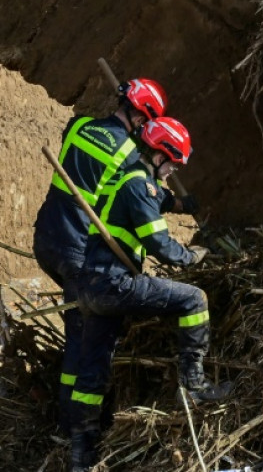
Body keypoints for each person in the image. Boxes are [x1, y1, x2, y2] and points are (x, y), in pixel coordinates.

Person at [31, 78, 198, 436]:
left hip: (46, 237)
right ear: (141, 119)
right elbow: (139, 193)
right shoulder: (127, 153)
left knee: (79, 327)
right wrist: (179, 204)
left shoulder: (78, 126)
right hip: (78, 247)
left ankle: (70, 421)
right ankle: (70, 428)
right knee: (83, 338)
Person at [68, 117, 230, 471]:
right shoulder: (138, 185)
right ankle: (193, 385)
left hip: (92, 288)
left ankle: (81, 454)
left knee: (92, 371)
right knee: (194, 300)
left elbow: (157, 197)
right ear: (158, 155)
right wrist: (191, 256)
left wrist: (179, 204)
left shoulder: (128, 179)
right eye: (171, 163)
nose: (172, 171)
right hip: (115, 283)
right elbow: (158, 241)